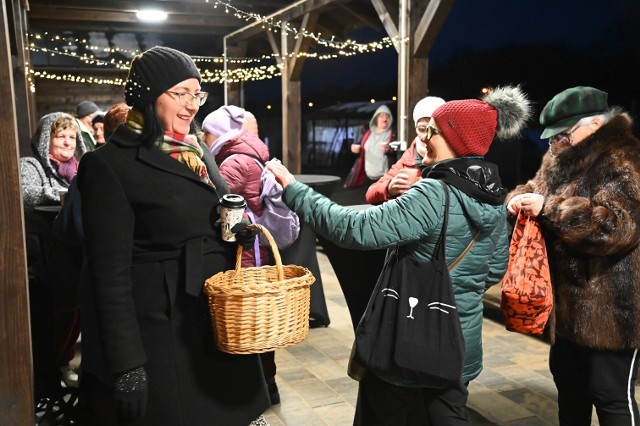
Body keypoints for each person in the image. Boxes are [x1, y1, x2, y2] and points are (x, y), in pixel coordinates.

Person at [267, 85, 531, 425]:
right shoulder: (493, 196)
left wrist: (293, 189)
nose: (424, 140)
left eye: (432, 132)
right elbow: (494, 270)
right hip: (459, 343)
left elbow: (353, 229)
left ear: (455, 139)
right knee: (447, 415)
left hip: (411, 337)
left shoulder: (433, 192)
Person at [76, 46, 270, 425]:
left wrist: (234, 235)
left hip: (211, 319)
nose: (192, 104)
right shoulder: (108, 165)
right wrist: (127, 365)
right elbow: (108, 275)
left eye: (196, 94)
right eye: (180, 93)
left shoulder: (195, 150)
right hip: (160, 335)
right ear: (149, 94)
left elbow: (206, 215)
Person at [505, 86, 640, 425]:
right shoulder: (558, 156)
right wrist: (518, 198)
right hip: (566, 309)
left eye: (563, 134)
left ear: (594, 124)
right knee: (570, 389)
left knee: (611, 397)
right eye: (553, 137)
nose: (556, 142)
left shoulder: (624, 158)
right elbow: (535, 187)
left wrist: (549, 209)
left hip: (612, 312)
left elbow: (615, 228)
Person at [203, 104, 283, 406]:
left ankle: (257, 389)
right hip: (254, 252)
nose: (206, 139)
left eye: (208, 133)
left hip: (245, 253)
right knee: (257, 320)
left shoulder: (233, 162)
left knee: (247, 322)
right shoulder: (247, 155)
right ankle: (267, 385)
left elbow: (213, 199)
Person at [20, 112, 83, 411]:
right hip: (44, 262)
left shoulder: (80, 170)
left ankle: (63, 366)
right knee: (50, 324)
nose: (68, 141)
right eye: (61, 136)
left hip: (74, 259)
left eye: (72, 136)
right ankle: (46, 384)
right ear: (47, 138)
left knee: (72, 318)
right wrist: (65, 196)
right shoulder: (31, 166)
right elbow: (28, 195)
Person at [366, 96, 445, 205]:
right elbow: (371, 193)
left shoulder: (455, 155)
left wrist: (426, 186)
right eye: (422, 129)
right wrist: (389, 188)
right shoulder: (410, 156)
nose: (426, 137)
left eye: (434, 130)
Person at [345, 105, 395, 189]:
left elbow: (399, 153)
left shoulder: (394, 134)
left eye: (387, 116)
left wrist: (389, 150)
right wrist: (355, 150)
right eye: (381, 115)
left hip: (385, 178)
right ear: (376, 118)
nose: (385, 118)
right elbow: (360, 151)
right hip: (368, 177)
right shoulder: (367, 133)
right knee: (370, 200)